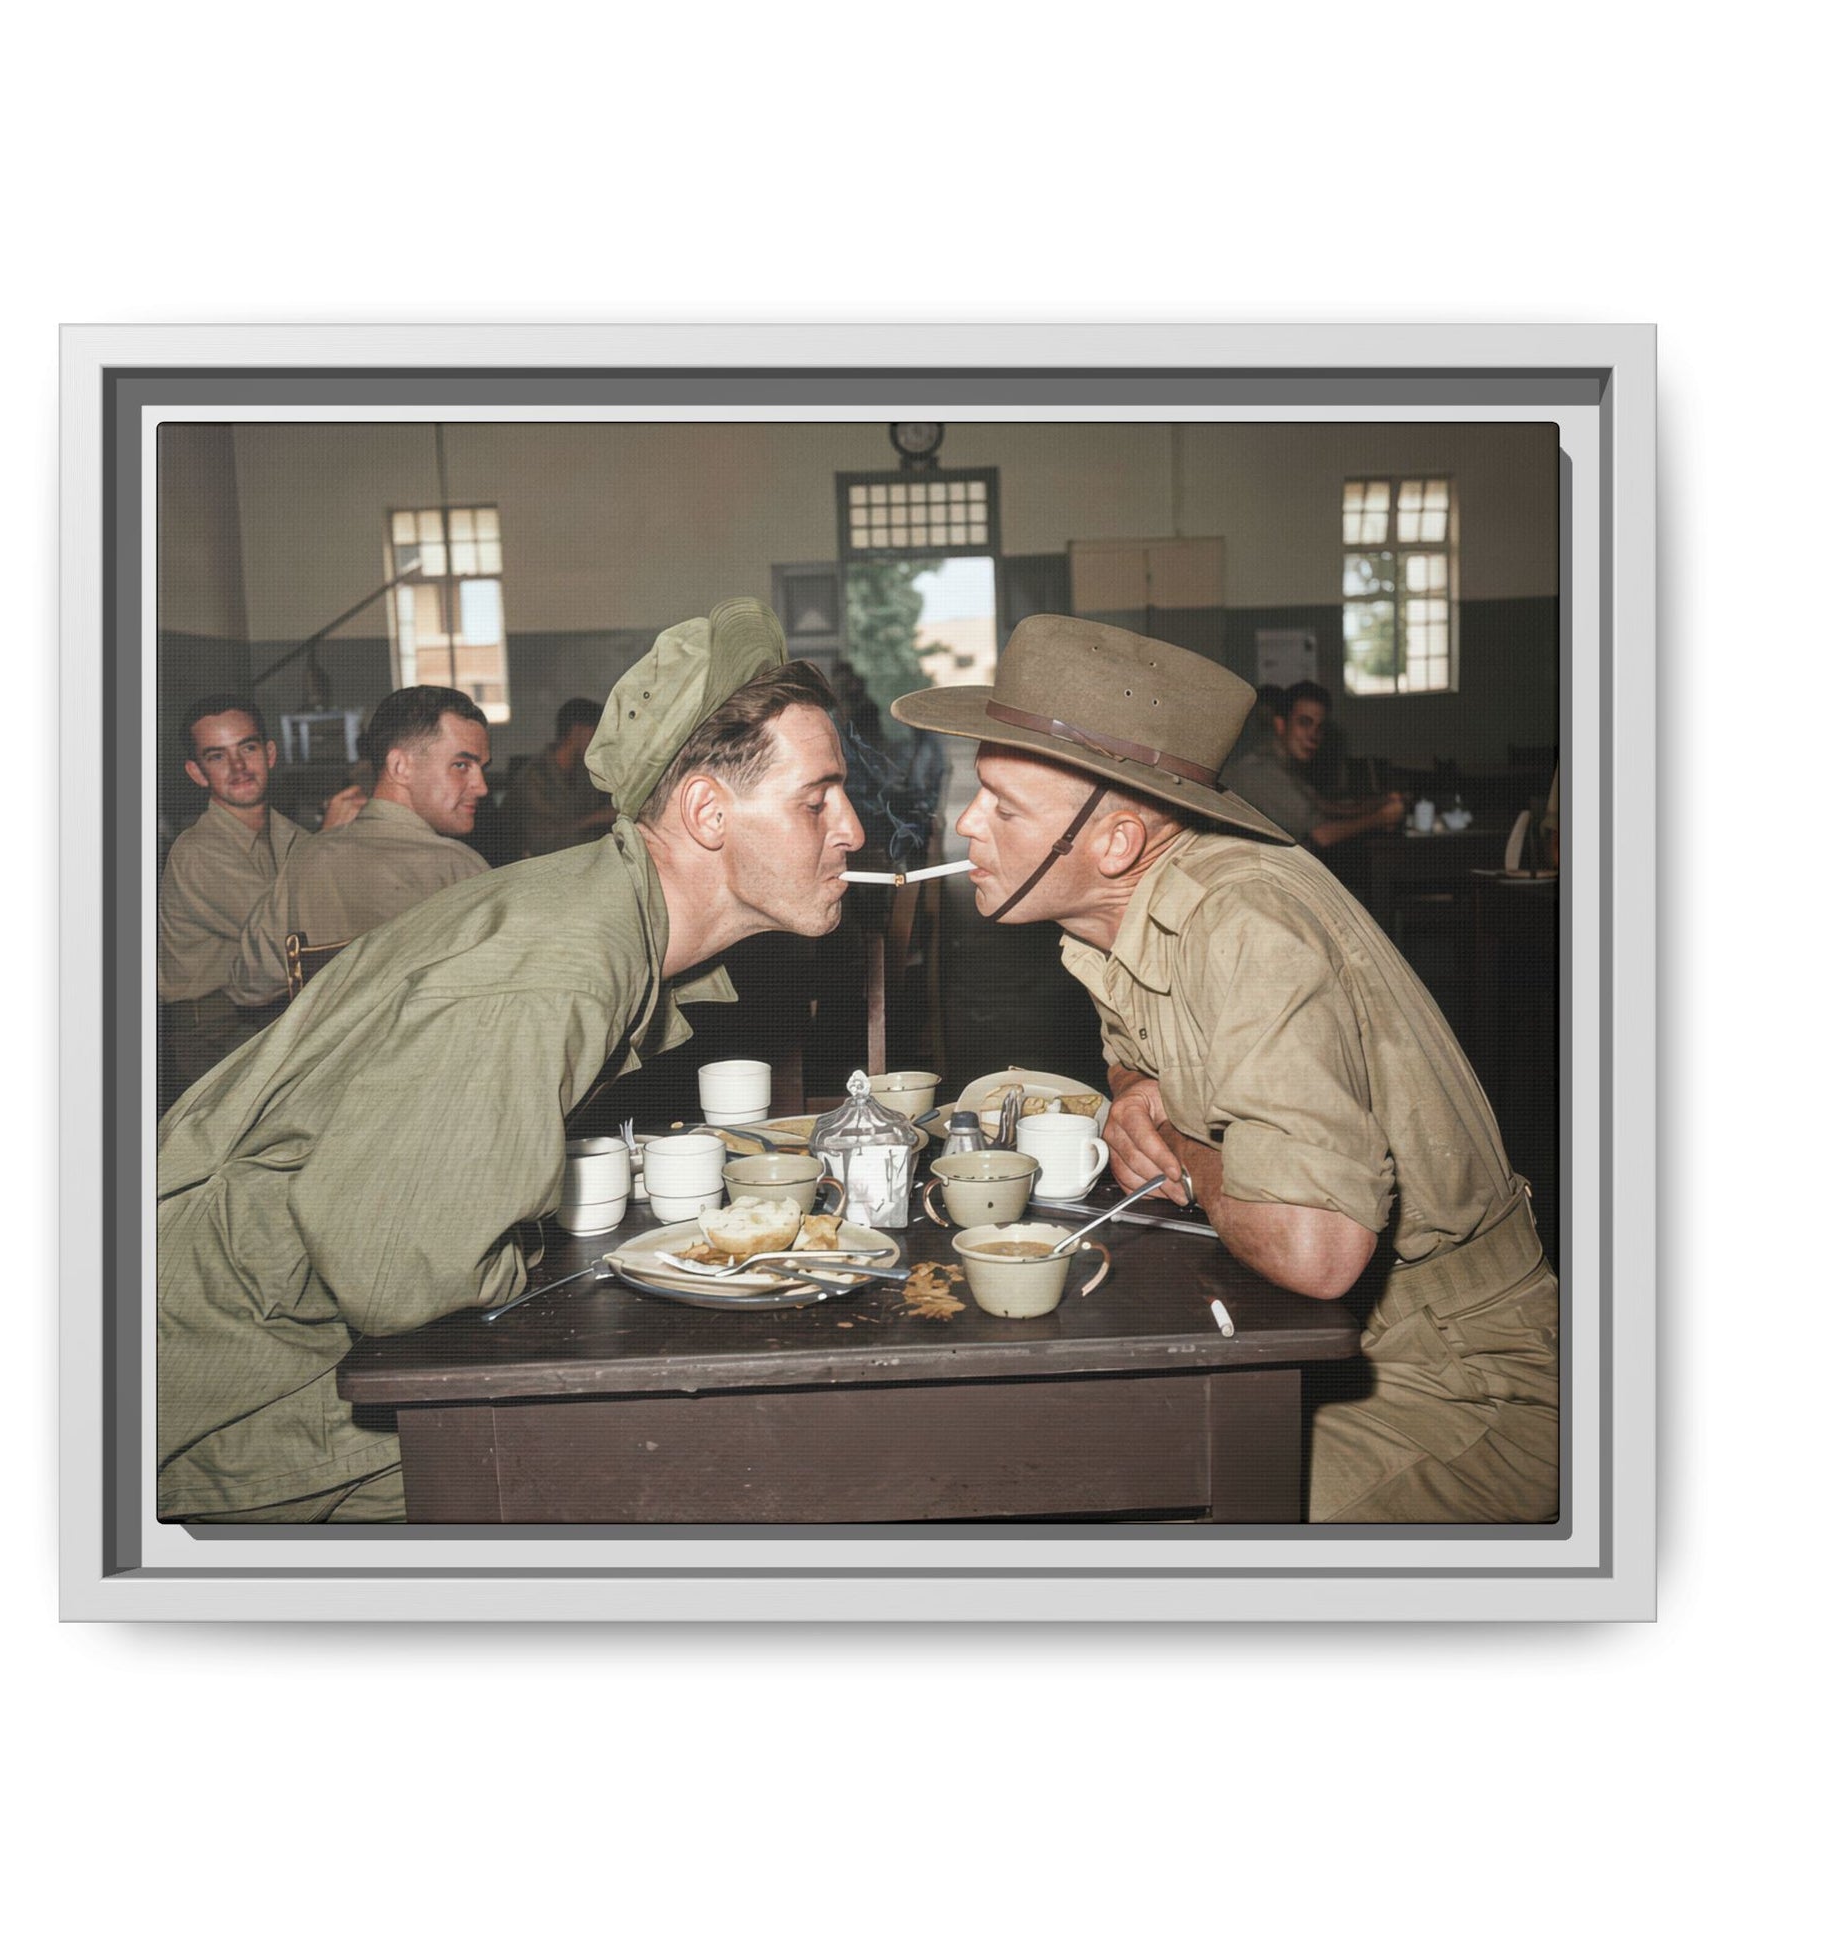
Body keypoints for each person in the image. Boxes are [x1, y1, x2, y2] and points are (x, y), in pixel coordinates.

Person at [156, 600, 862, 1522]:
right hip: (236, 1376)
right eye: (816, 800)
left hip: (272, 1328)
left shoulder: (594, 907)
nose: (850, 829)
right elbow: (393, 1271)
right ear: (706, 812)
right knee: (682, 1461)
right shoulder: (564, 970)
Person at [892, 616, 1557, 1524]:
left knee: (1146, 1522)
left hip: (1466, 1377)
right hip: (1348, 1336)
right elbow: (1148, 1057)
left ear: (1117, 843)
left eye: (1003, 807)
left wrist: (1181, 1146)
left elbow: (1316, 1251)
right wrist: (1133, 1093)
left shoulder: (1243, 925)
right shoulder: (1130, 910)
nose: (968, 821)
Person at [225, 685, 493, 1007]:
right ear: (400, 767)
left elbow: (248, 986)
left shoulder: (305, 859)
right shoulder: (460, 869)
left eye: (482, 768)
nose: (481, 787)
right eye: (461, 765)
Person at [157, 694, 360, 1106]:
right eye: (217, 757)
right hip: (213, 1031)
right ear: (197, 773)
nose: (237, 767)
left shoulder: (291, 837)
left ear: (269, 754)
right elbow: (287, 934)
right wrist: (329, 843)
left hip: (273, 1014)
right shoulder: (198, 852)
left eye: (247, 748)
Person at [1226, 680, 1407, 852]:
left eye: (1319, 727)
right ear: (1280, 725)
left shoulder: (1283, 763)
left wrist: (1381, 802)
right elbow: (1320, 835)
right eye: (1304, 723)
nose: (1313, 735)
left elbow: (1327, 807)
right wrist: (1381, 817)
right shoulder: (1261, 771)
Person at [507, 696, 616, 857]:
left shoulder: (584, 774)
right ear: (577, 731)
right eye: (596, 732)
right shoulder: (534, 778)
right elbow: (544, 842)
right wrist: (592, 820)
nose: (600, 742)